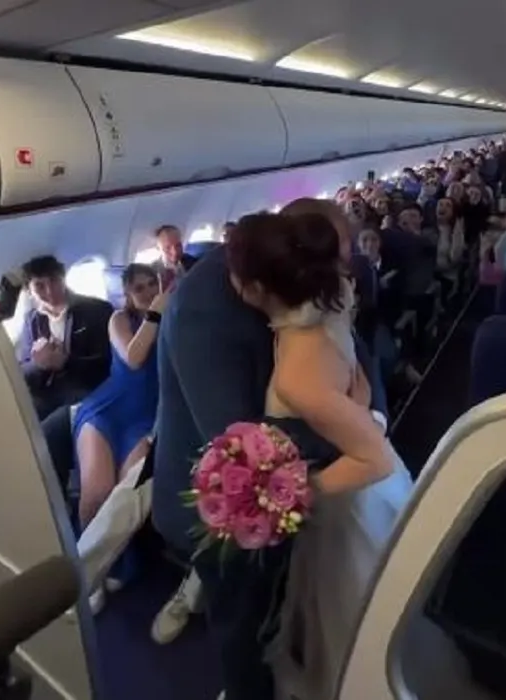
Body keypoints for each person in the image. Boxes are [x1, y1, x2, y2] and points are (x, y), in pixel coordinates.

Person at [151, 199, 389, 700]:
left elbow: (354, 351)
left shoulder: (313, 277)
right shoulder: (205, 310)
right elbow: (236, 438)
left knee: (303, 610)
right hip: (224, 497)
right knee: (244, 623)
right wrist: (351, 429)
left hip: (306, 478)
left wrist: (368, 420)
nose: (338, 274)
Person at [69, 263, 165, 610]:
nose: (148, 292)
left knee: (124, 495)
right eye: (139, 288)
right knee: (95, 494)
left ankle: (118, 561)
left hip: (145, 417)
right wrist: (155, 314)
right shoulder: (119, 320)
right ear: (127, 294)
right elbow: (134, 358)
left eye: (152, 284)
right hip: (107, 409)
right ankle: (85, 575)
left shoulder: (174, 318)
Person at [14, 255, 115, 420]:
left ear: (63, 278)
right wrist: (38, 364)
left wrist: (65, 361)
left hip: (85, 392)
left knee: (47, 430)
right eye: (39, 286)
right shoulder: (32, 320)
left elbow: (107, 364)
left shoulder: (97, 310)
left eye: (54, 280)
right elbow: (23, 372)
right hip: (46, 394)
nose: (49, 291)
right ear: (29, 292)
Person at [149, 224, 198, 290]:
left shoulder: (194, 262)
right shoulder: (151, 272)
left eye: (178, 245)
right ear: (158, 248)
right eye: (167, 248)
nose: (175, 252)